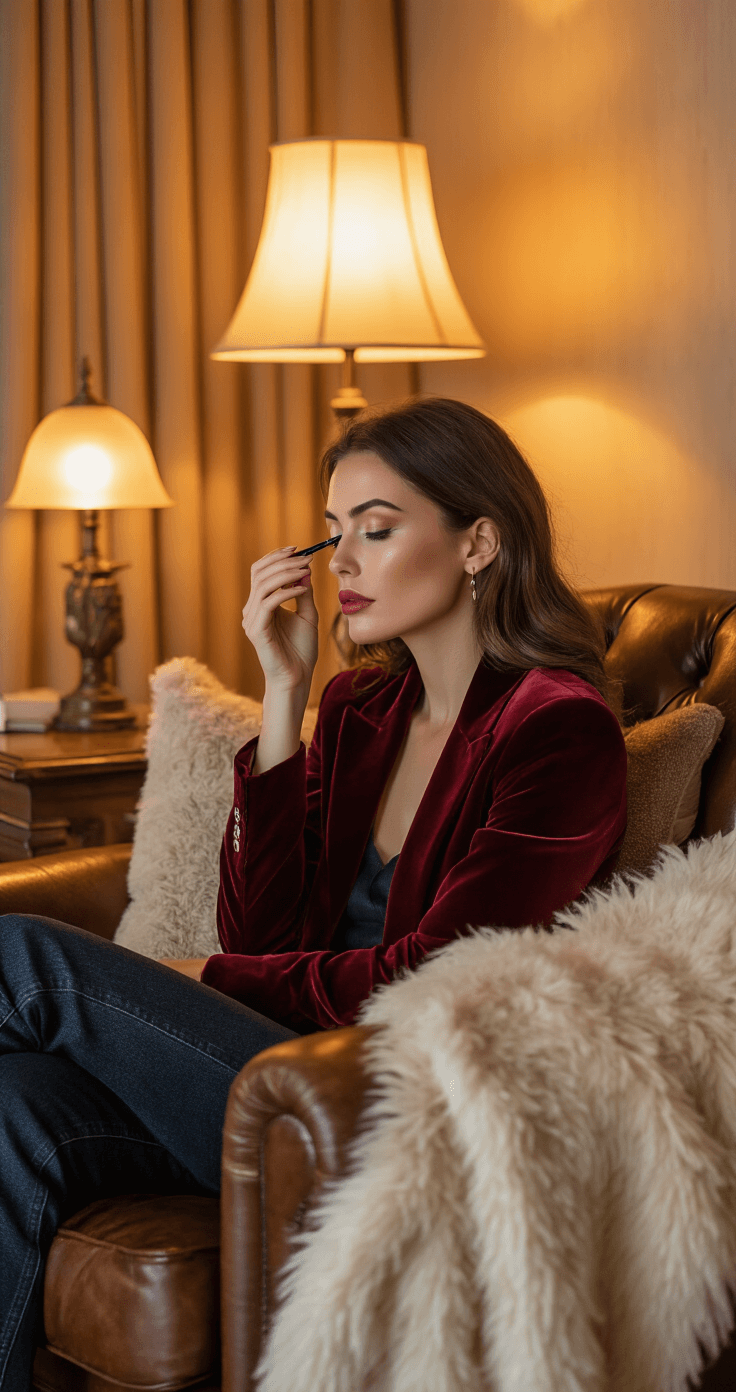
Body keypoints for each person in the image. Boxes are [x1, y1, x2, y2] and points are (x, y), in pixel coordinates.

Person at [0, 396, 626, 1391]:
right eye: (333, 534)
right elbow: (267, 928)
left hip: (394, 1096)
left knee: (17, 955)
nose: (338, 562)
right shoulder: (360, 707)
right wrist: (283, 693)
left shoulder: (556, 728)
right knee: (15, 1100)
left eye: (375, 530)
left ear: (478, 542)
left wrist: (205, 973)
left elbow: (439, 974)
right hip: (272, 1079)